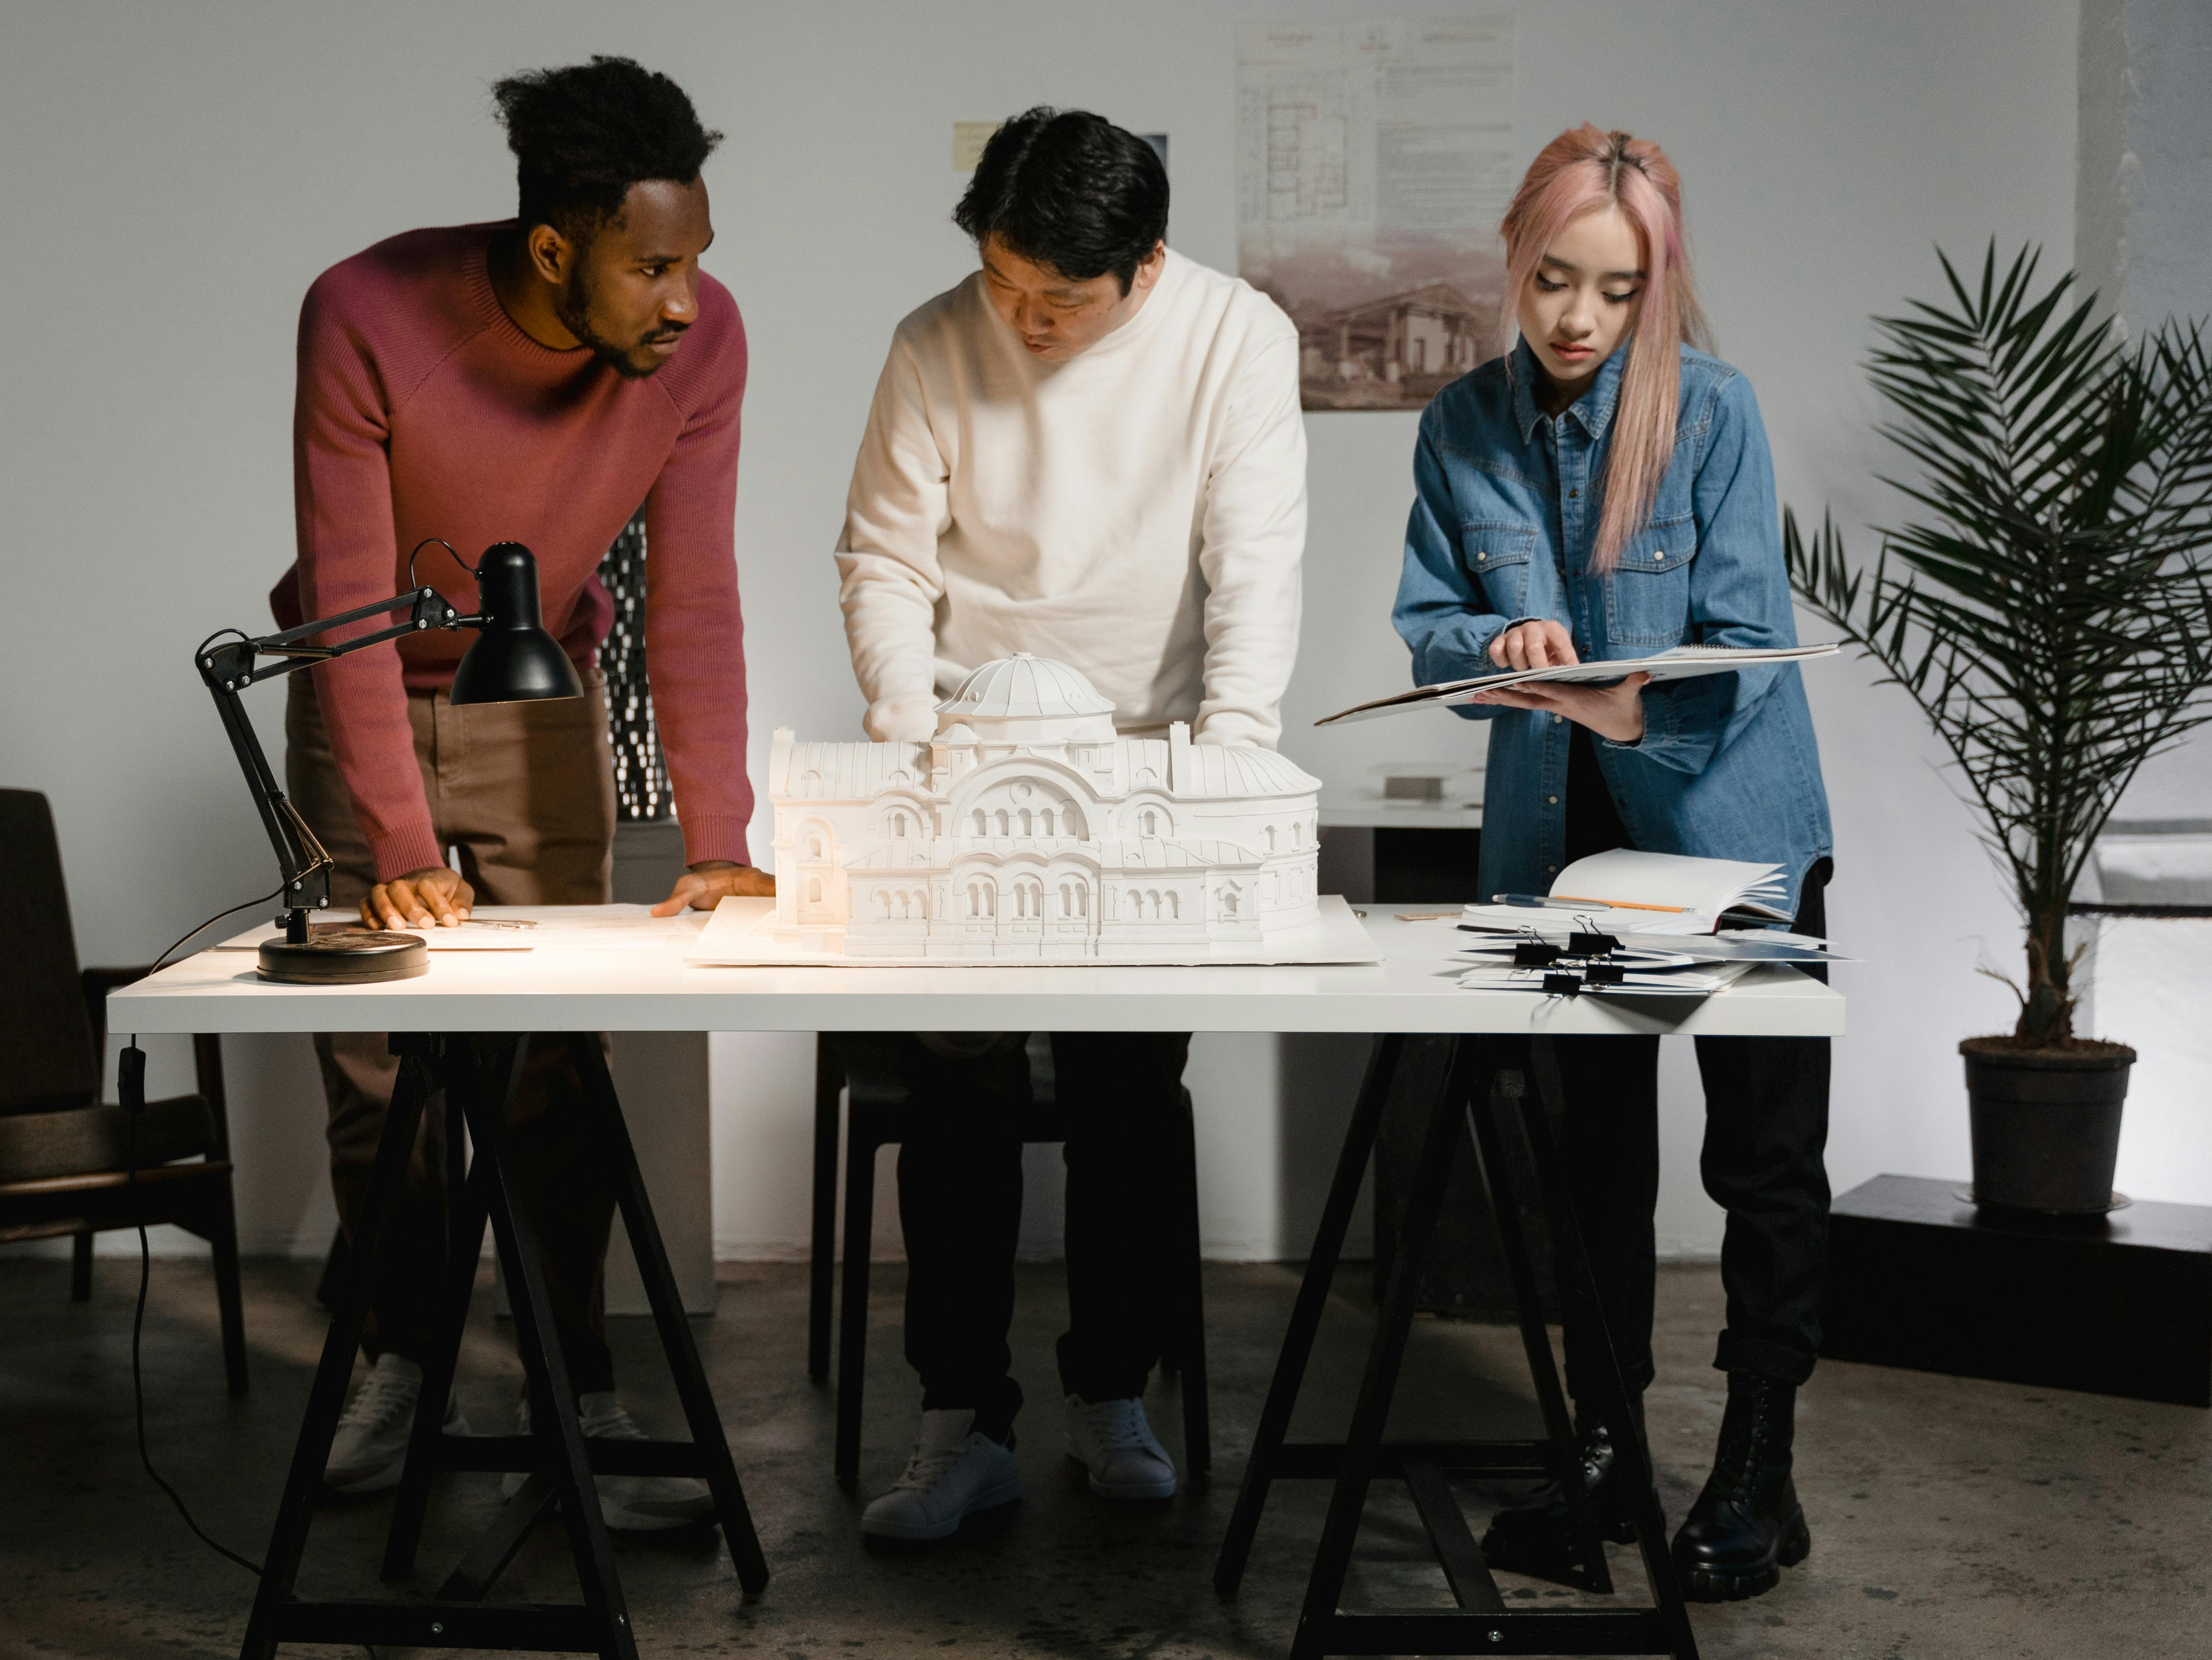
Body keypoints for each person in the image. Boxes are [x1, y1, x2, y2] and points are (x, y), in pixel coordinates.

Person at [280, 57, 772, 1525]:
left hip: (537, 699)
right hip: (357, 701)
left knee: (557, 1064)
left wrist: (721, 839)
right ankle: (402, 1358)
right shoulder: (365, 313)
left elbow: (693, 599)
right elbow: (349, 598)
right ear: (558, 251)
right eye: (655, 266)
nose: (685, 298)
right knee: (382, 1081)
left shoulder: (703, 346)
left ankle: (582, 1386)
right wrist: (395, 840)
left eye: (697, 260)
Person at [835, 108, 1307, 1542]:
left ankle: (1112, 1394)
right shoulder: (932, 340)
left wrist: (1226, 761)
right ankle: (958, 1422)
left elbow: (1254, 555)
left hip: (1153, 765)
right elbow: (881, 557)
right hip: (970, 760)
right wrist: (914, 743)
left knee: (1124, 1105)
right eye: (1004, 285)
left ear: (1146, 269)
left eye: (1061, 301)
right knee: (957, 1104)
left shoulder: (1234, 337)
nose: (1023, 321)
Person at [1393, 125, 1834, 1603]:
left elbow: (1746, 639)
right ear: (1513, 262)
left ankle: (1758, 1462)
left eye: (1616, 290)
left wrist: (1632, 698)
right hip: (1559, 845)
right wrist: (1493, 645)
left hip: (1733, 835)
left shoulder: (1714, 412)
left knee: (1760, 1159)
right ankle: (1601, 1451)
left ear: (1658, 287)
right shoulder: (1459, 425)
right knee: (1590, 1161)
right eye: (1551, 280)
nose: (1578, 318)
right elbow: (1433, 624)